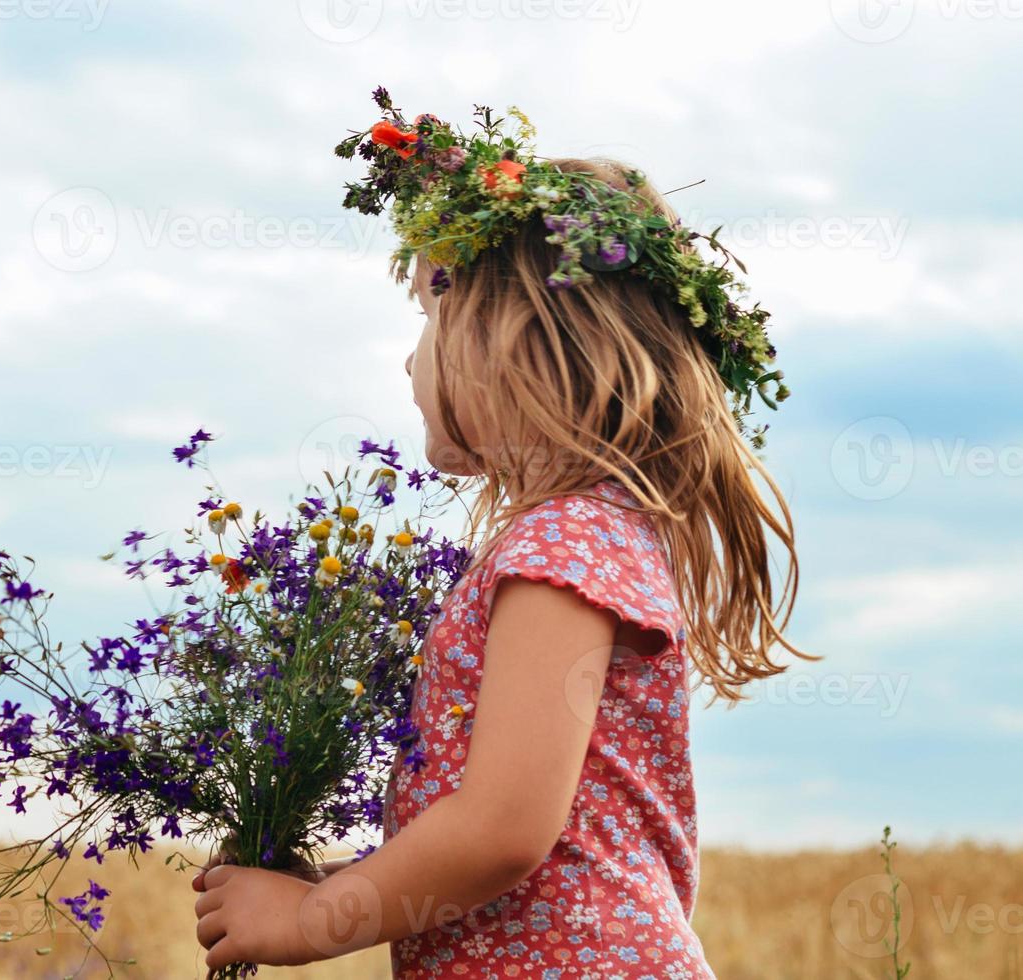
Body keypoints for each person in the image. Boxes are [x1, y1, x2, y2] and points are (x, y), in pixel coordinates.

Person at [191, 88, 805, 978]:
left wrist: (313, 920)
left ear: (513, 338)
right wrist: (325, 883)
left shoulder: (561, 548)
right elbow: (501, 849)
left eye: (431, 318)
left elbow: (503, 830)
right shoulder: (584, 537)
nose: (412, 357)